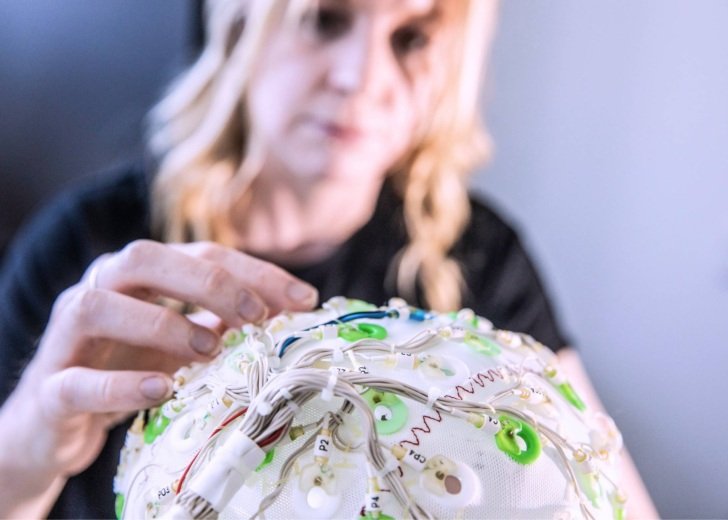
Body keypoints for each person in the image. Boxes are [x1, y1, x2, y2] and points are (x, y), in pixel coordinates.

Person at [0, 0, 657, 518]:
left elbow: (609, 494)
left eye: (412, 36)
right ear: (237, 24)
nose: (362, 79)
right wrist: (32, 444)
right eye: (324, 18)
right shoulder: (93, 252)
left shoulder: (478, 256)